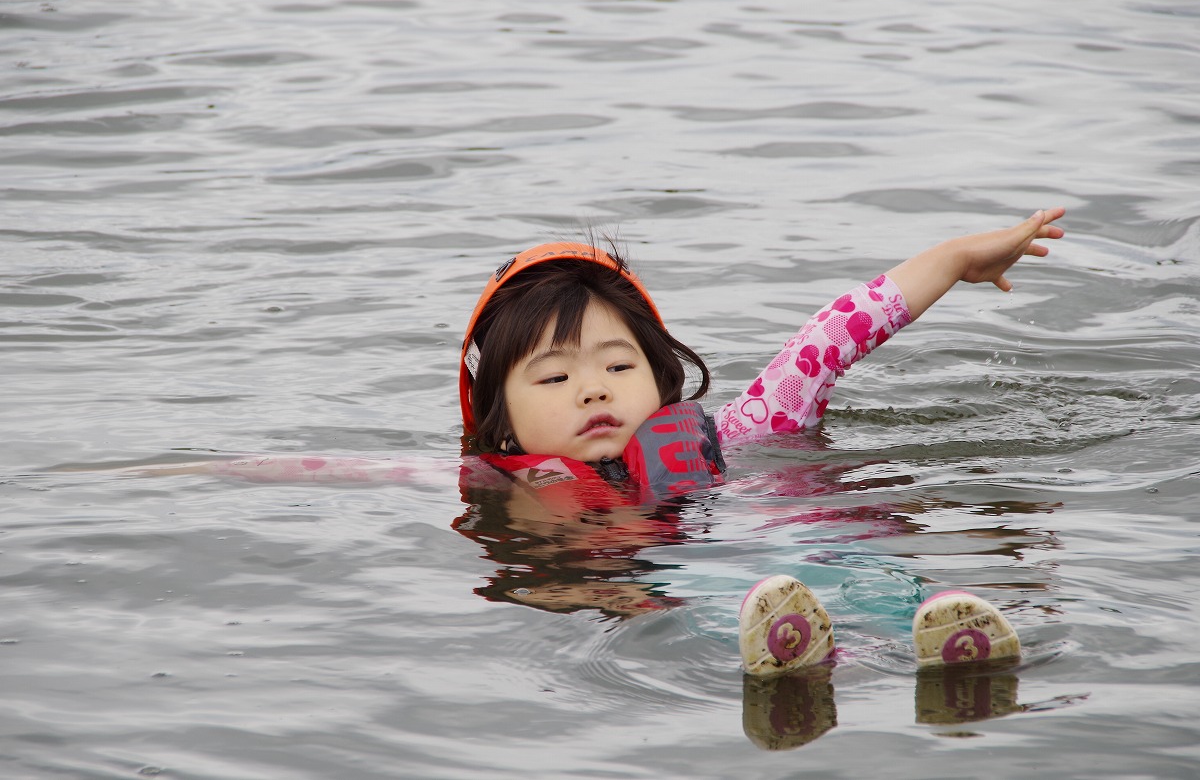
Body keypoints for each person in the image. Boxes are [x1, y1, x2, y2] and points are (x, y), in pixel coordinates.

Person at [133, 207, 1067, 678]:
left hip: (777, 542)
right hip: (687, 587)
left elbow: (837, 330)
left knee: (839, 557)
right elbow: (341, 469)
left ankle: (943, 631)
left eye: (617, 366)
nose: (590, 387)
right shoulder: (491, 479)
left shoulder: (739, 431)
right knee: (691, 595)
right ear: (496, 421)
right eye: (552, 376)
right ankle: (824, 655)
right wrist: (196, 466)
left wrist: (950, 258)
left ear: (663, 381)